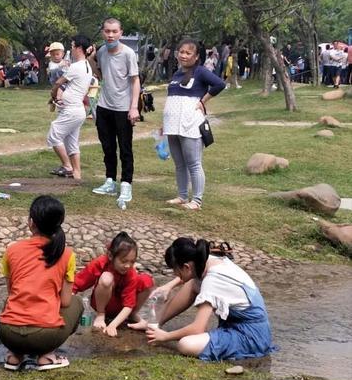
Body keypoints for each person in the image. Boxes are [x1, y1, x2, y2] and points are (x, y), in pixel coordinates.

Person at [146, 237, 274, 361]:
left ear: (186, 267)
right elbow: (189, 275)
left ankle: (230, 344)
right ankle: (157, 322)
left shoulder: (212, 281)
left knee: (186, 344)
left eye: (176, 270)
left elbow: (197, 328)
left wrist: (166, 336)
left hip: (251, 336)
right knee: (193, 283)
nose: (175, 274)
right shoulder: (207, 259)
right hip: (244, 324)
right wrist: (169, 285)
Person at [0, 195, 83, 371]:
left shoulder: (11, 250)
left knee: (10, 301)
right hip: (44, 337)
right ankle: (47, 355)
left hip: (7, 333)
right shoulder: (67, 254)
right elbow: (65, 301)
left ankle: (15, 355)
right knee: (76, 302)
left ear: (31, 222)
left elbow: (12, 292)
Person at [162, 38, 226, 211]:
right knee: (179, 164)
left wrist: (203, 101)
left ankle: (196, 200)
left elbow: (220, 84)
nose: (183, 56)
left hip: (190, 124)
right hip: (172, 125)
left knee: (194, 163)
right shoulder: (177, 74)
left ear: (196, 56)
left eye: (188, 53)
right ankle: (182, 196)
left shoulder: (200, 72)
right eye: (181, 52)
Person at [89, 18, 140, 210]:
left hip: (123, 108)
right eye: (107, 31)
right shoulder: (102, 51)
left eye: (114, 31)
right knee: (108, 147)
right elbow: (100, 74)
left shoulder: (128, 54)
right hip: (104, 106)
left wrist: (133, 107)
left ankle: (126, 184)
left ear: (120, 33)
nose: (111, 35)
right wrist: (90, 58)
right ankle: (110, 180)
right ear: (103, 32)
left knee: (125, 148)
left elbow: (135, 81)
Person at [72, 231, 154, 337]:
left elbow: (129, 305)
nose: (128, 266)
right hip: (102, 303)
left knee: (147, 280)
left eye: (132, 262)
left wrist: (113, 325)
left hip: (121, 307)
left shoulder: (131, 273)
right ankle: (101, 315)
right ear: (110, 256)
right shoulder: (100, 263)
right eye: (124, 261)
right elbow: (78, 283)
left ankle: (133, 315)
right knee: (106, 278)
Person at [46, 35, 93, 180]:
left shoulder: (76, 66)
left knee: (54, 135)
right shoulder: (87, 66)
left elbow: (58, 83)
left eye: (72, 46)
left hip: (72, 110)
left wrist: (53, 94)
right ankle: (77, 174)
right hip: (76, 110)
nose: (71, 49)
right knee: (71, 143)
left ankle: (67, 167)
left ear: (79, 48)